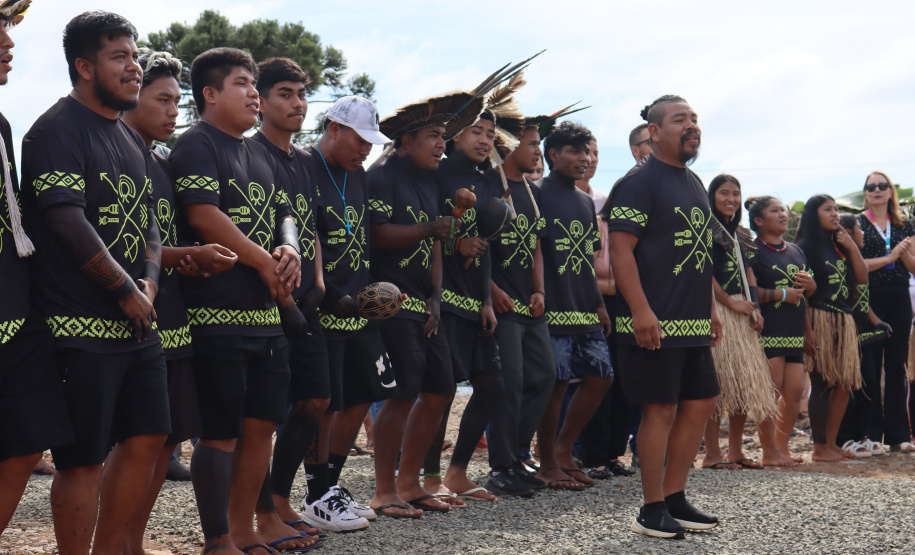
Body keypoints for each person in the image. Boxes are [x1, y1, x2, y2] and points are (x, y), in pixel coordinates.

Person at [21, 11, 169, 552]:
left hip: (138, 322)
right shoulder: (54, 131)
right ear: (84, 67)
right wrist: (124, 289)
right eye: (119, 57)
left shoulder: (130, 140)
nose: (134, 67)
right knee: (82, 459)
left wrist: (148, 283)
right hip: (76, 326)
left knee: (150, 436)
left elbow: (150, 220)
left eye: (135, 55)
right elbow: (65, 219)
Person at [170, 47, 309, 553]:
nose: (254, 93)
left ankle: (248, 530)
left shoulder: (259, 152)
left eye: (255, 84)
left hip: (266, 319)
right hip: (215, 318)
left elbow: (284, 216)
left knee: (261, 429)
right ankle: (218, 540)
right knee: (220, 435)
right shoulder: (196, 145)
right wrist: (263, 262)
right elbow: (206, 216)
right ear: (209, 94)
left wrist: (289, 247)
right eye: (241, 84)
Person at [120, 47, 238, 554]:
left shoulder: (164, 162)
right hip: (127, 311)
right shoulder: (115, 150)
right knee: (131, 444)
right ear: (131, 98)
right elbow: (120, 244)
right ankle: (116, 542)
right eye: (162, 99)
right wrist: (183, 254)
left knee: (164, 441)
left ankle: (133, 540)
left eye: (176, 101)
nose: (173, 111)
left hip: (175, 314)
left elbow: (163, 240)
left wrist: (188, 257)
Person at [607, 95, 721, 539]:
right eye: (680, 120)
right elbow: (620, 249)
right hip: (654, 320)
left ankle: (676, 497)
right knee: (660, 410)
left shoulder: (693, 181)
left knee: (700, 402)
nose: (691, 126)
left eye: (694, 119)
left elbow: (702, 252)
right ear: (654, 132)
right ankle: (651, 508)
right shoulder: (639, 182)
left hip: (691, 320)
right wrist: (639, 311)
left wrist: (710, 308)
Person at [367, 98, 467, 518]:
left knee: (441, 390)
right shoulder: (381, 176)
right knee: (402, 394)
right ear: (406, 140)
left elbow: (438, 244)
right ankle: (384, 489)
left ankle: (410, 482)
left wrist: (436, 296)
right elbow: (375, 234)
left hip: (424, 304)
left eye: (444, 137)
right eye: (434, 137)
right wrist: (429, 227)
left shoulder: (431, 181)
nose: (442, 145)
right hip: (391, 301)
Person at [0, 0, 72, 538]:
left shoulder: (1, 125)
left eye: (7, 26)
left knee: (24, 448)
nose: (8, 42)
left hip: (16, 314)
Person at [421, 111, 503, 504]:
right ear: (455, 137)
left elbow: (484, 243)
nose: (485, 139)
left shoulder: (487, 180)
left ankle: (457, 472)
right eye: (476, 131)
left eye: (490, 133)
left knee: (491, 384)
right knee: (441, 388)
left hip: (474, 301)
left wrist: (487, 300)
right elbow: (425, 228)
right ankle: (429, 476)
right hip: (442, 295)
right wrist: (456, 245)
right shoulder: (436, 173)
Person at [535, 121, 613, 491]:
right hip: (552, 308)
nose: (584, 159)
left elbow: (585, 257)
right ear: (553, 155)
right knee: (556, 384)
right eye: (575, 151)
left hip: (585, 307)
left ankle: (565, 451)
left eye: (588, 152)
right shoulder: (535, 194)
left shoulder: (586, 203)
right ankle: (547, 461)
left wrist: (599, 304)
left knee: (601, 377)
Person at [485, 121, 555, 496]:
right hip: (503, 303)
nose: (537, 153)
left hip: (530, 304)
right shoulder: (489, 186)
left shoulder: (532, 191)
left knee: (544, 376)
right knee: (510, 383)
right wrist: (491, 290)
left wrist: (540, 289)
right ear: (509, 147)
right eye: (530, 145)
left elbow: (538, 246)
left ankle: (517, 456)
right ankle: (501, 466)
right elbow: (475, 244)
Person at [700, 175, 777, 471]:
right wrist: (730, 302)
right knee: (716, 385)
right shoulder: (705, 228)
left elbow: (749, 274)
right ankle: (711, 454)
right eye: (724, 193)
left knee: (743, 384)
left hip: (743, 314)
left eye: (736, 193)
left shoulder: (738, 233)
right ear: (712, 196)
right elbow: (704, 272)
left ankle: (735, 451)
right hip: (717, 310)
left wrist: (755, 306)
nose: (731, 198)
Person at [795, 194, 868, 463]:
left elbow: (861, 278)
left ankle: (832, 443)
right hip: (820, 317)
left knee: (844, 384)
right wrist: (808, 331)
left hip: (844, 319)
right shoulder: (804, 247)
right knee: (823, 383)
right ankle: (819, 447)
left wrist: (851, 246)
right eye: (828, 209)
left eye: (836, 209)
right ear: (814, 215)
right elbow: (802, 292)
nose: (835, 213)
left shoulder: (839, 246)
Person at [745, 196, 815, 465]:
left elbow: (808, 293)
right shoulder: (752, 249)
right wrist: (781, 294)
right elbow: (749, 291)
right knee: (770, 392)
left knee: (795, 391)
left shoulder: (796, 251)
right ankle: (768, 451)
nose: (783, 214)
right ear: (759, 221)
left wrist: (808, 329)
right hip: (768, 329)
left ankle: (781, 447)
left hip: (795, 330)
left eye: (783, 210)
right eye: (775, 211)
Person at [857, 172, 915, 452]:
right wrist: (890, 257)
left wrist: (903, 255)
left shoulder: (905, 224)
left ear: (891, 191)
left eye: (882, 186)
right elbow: (856, 265)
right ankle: (870, 434)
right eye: (871, 187)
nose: (877, 190)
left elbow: (914, 266)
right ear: (865, 193)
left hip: (899, 298)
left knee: (896, 366)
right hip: (870, 299)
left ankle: (898, 435)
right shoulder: (857, 223)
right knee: (869, 365)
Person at [837, 213, 891, 457]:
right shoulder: (840, 261)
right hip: (848, 334)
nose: (862, 232)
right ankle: (843, 438)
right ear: (847, 233)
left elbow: (861, 298)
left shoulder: (856, 259)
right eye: (858, 228)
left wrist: (877, 321)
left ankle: (862, 436)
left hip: (866, 333)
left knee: (869, 385)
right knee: (850, 389)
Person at [574, 137, 606, 212]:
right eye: (587, 153)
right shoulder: (555, 196)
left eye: (596, 154)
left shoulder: (603, 201)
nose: (593, 159)